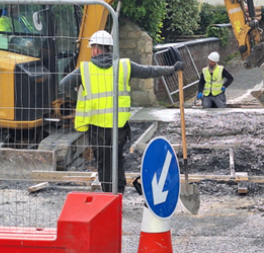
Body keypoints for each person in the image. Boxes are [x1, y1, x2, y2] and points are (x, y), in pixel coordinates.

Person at [60, 29, 182, 193]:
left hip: (97, 127)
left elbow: (64, 84)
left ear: (96, 49)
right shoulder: (124, 66)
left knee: (103, 161)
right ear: (109, 48)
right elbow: (150, 71)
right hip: (119, 126)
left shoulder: (85, 70)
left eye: (91, 49)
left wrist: (80, 98)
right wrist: (172, 69)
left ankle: (107, 194)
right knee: (117, 158)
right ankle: (119, 192)